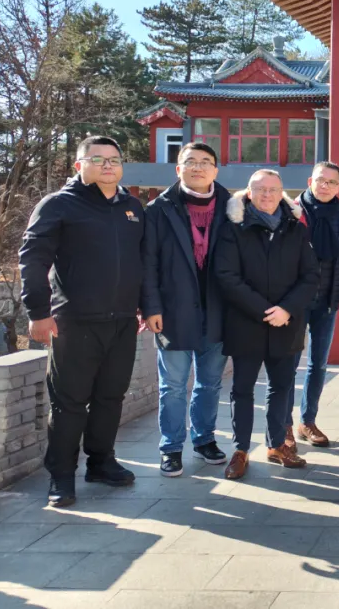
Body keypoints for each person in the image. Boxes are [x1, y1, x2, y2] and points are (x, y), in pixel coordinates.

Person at [19, 136, 145, 507]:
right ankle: (61, 476)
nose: (108, 165)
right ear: (79, 165)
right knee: (70, 403)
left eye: (114, 159)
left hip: (122, 320)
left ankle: (102, 462)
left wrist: (144, 306)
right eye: (97, 159)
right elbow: (33, 259)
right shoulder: (59, 205)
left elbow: (143, 263)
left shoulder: (132, 206)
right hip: (74, 321)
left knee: (110, 397)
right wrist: (38, 312)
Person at [215, 170, 318, 479]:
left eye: (274, 190)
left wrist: (286, 309)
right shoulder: (233, 228)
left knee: (281, 388)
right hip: (246, 322)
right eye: (261, 190)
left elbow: (311, 276)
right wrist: (265, 310)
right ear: (249, 193)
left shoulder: (295, 228)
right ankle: (241, 450)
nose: (268, 195)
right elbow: (227, 277)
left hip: (288, 323)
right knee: (243, 389)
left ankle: (276, 444)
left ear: (282, 192)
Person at [142, 142, 231, 477]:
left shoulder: (233, 206)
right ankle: (171, 447)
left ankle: (205, 439)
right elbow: (147, 263)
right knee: (174, 385)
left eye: (205, 162)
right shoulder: (159, 209)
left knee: (209, 383)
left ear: (216, 170)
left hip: (218, 310)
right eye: (190, 162)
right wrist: (150, 306)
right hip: (173, 310)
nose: (198, 167)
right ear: (178, 169)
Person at [285, 161, 339, 449]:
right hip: (294, 301)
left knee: (318, 364)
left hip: (328, 300)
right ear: (309, 181)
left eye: (331, 182)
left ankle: (308, 420)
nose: (325, 186)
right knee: (288, 364)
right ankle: (285, 424)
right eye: (320, 180)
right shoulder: (291, 212)